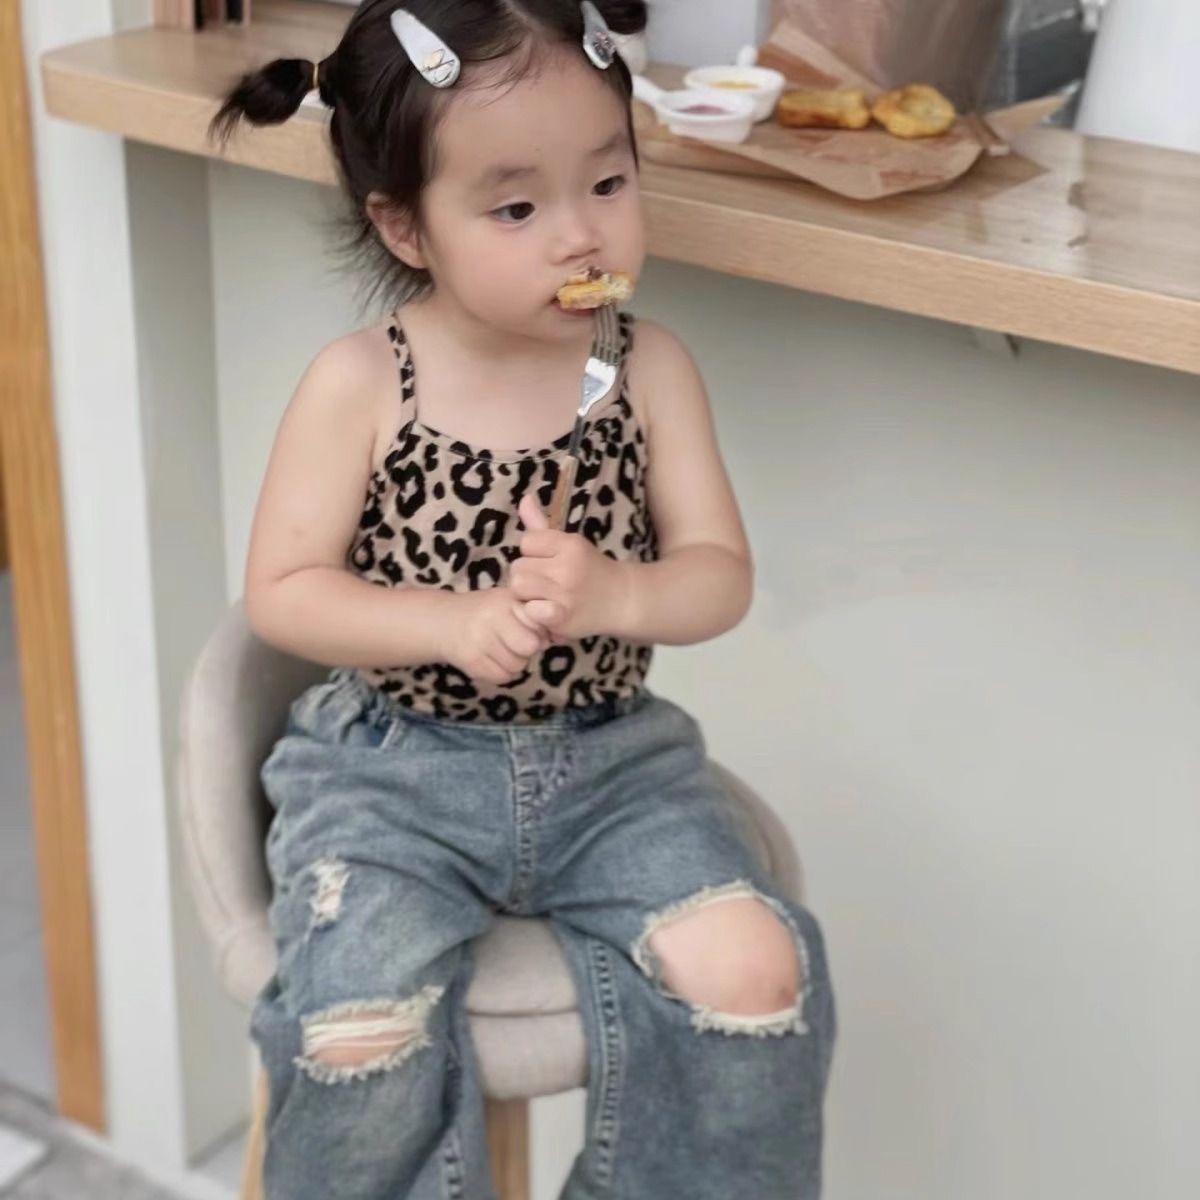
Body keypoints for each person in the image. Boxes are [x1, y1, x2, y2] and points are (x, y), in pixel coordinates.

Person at [212, 2, 834, 1196]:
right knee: (357, 1031)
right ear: (405, 226)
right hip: (393, 774)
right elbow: (284, 594)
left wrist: (618, 592)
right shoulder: (362, 383)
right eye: (514, 209)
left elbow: (719, 576)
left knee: (755, 976)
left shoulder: (648, 370)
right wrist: (446, 623)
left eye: (608, 182)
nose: (579, 234)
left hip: (613, 765)